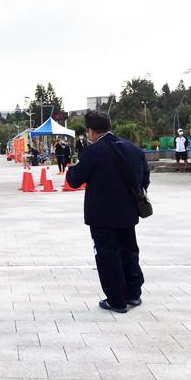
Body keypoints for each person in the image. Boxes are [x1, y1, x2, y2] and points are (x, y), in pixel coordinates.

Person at [66, 110, 150, 314]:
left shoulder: (93, 151)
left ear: (91, 131)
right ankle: (133, 293)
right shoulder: (133, 149)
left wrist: (70, 169)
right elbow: (144, 180)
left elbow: (75, 180)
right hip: (128, 212)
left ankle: (116, 300)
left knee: (107, 255)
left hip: (102, 215)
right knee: (129, 251)